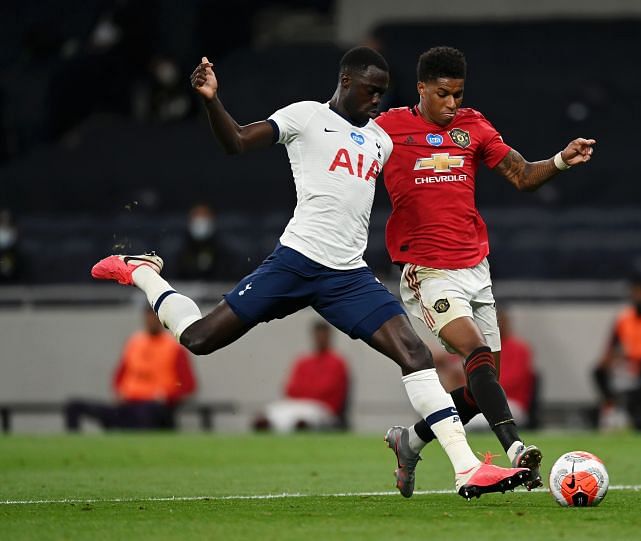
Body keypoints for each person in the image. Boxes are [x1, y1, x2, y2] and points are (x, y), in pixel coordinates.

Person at [91, 47, 530, 499]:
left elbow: (425, 169)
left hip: (348, 275)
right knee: (199, 339)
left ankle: (466, 469)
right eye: (369, 91)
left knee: (415, 355)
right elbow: (238, 141)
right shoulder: (305, 117)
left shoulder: (379, 139)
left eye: (383, 93)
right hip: (296, 262)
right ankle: (144, 272)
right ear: (345, 81)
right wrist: (211, 100)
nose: (377, 100)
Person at [377, 46, 595, 497]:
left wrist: (559, 160)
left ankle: (410, 441)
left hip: (476, 268)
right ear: (421, 89)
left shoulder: (473, 126)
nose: (452, 104)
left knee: (481, 389)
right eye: (443, 94)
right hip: (427, 269)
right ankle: (515, 449)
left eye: (457, 94)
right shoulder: (388, 128)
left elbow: (521, 175)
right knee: (472, 352)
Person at [65, 304, 196, 431]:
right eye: (148, 316)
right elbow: (119, 377)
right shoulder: (134, 342)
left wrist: (167, 397)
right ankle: (73, 446)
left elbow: (188, 386)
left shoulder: (173, 347)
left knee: (145, 414)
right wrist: (121, 392)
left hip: (155, 408)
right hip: (128, 405)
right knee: (74, 406)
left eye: (155, 316)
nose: (151, 320)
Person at [593, 275, 641, 430]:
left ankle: (640, 415)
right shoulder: (624, 317)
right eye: (635, 292)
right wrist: (611, 359)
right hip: (627, 363)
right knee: (598, 371)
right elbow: (612, 345)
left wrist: (637, 360)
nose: (638, 296)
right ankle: (612, 408)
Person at [256, 321, 349, 433]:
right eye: (318, 335)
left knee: (303, 419)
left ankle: (300, 432)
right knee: (272, 413)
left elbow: (327, 390)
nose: (320, 339)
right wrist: (308, 391)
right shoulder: (303, 361)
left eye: (323, 335)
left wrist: (305, 391)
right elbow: (290, 389)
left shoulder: (337, 362)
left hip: (323, 408)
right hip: (298, 404)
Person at [175, 203, 228, 281]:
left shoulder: (224, 251)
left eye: (204, 216)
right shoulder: (178, 250)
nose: (200, 221)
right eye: (196, 216)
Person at [0, 209, 25, 283]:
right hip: (1, 251)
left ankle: (9, 274)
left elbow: (14, 240)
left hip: (10, 251)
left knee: (9, 258)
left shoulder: (14, 229)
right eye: (4, 217)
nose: (6, 219)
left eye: (7, 217)